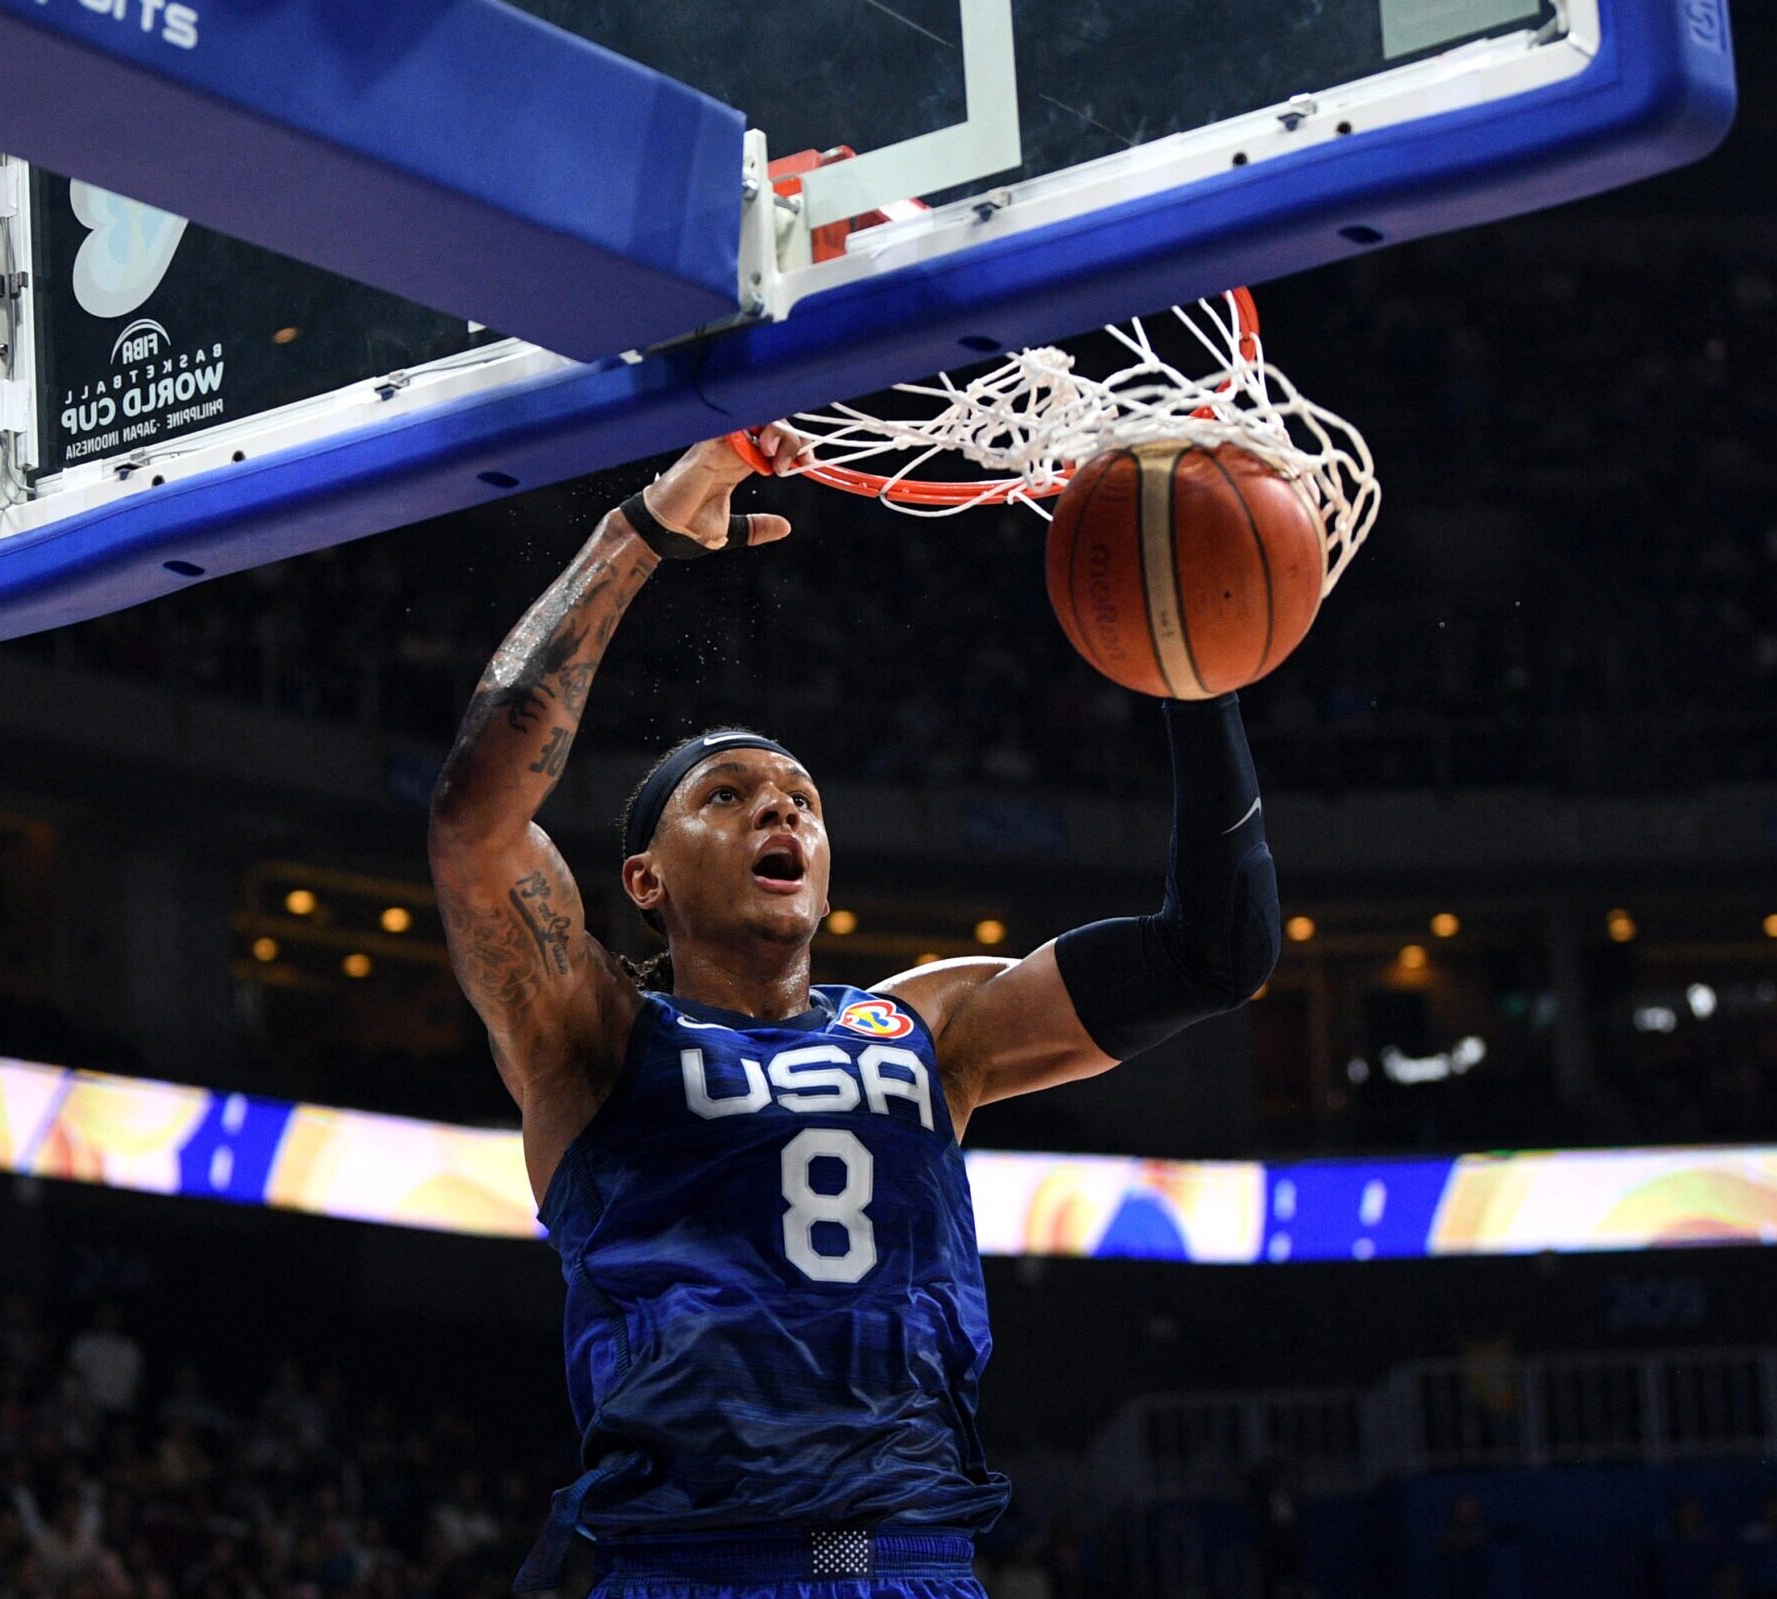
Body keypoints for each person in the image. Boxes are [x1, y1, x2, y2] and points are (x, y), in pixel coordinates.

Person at [427, 427, 1282, 1597]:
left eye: (800, 800)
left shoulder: (930, 1028)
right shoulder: (594, 1037)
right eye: (726, 796)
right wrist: (639, 537)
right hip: (684, 1569)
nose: (777, 812)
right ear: (644, 881)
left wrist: (1199, 678)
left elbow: (1212, 956)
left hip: (910, 1566)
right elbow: (472, 821)